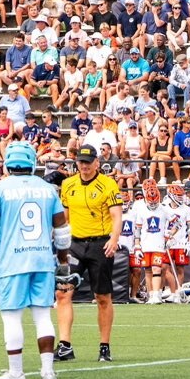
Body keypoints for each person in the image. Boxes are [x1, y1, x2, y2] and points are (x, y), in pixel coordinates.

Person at [0, 142, 69, 379]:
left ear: (8, 162)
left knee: (12, 318)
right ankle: (48, 372)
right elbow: (62, 230)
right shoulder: (48, 189)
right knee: (42, 315)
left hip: (12, 261)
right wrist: (63, 261)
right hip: (42, 260)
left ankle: (16, 374)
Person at [55, 143, 123, 362]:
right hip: (74, 244)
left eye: (87, 162)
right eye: (80, 162)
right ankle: (65, 345)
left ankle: (105, 345)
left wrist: (114, 239)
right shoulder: (68, 184)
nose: (83, 166)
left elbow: (116, 215)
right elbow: (64, 216)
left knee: (102, 296)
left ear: (97, 162)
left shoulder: (108, 184)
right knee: (62, 292)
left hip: (99, 243)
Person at [125, 178, 177, 305]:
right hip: (145, 244)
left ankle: (157, 294)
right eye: (150, 203)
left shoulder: (164, 209)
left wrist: (169, 235)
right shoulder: (141, 209)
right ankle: (150, 295)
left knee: (156, 269)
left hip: (159, 244)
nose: (153, 205)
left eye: (155, 203)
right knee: (147, 271)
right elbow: (137, 229)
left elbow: (176, 223)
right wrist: (137, 246)